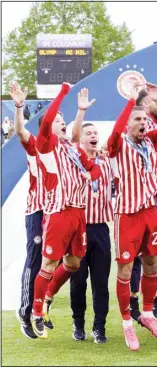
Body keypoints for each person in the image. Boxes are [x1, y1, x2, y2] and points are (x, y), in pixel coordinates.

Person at [107, 82, 157, 350]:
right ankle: (127, 323)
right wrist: (130, 103)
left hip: (150, 212)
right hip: (127, 215)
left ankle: (147, 313)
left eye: (144, 119)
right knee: (125, 269)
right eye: (137, 120)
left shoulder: (151, 142)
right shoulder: (117, 144)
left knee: (152, 265)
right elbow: (115, 132)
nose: (143, 123)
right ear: (127, 124)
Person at [30, 83, 101, 339]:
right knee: (48, 263)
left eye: (63, 120)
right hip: (58, 212)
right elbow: (49, 118)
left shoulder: (72, 148)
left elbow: (96, 169)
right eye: (58, 120)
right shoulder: (46, 145)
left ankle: (47, 296)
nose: (61, 122)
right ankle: (36, 312)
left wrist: (88, 174)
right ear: (49, 127)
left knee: (73, 263)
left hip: (78, 213)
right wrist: (62, 94)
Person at [68, 88, 112, 343]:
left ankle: (100, 328)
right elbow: (73, 137)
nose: (93, 136)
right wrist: (81, 112)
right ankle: (78, 325)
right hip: (78, 229)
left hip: (100, 230)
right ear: (82, 140)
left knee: (100, 283)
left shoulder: (107, 162)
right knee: (78, 283)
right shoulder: (74, 159)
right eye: (89, 133)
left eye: (96, 133)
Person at [10, 82, 46, 339]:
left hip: (59, 213)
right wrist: (20, 106)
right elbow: (20, 130)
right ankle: (24, 310)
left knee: (59, 263)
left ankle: (41, 308)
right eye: (57, 122)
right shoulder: (34, 146)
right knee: (34, 261)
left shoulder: (65, 149)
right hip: (38, 211)